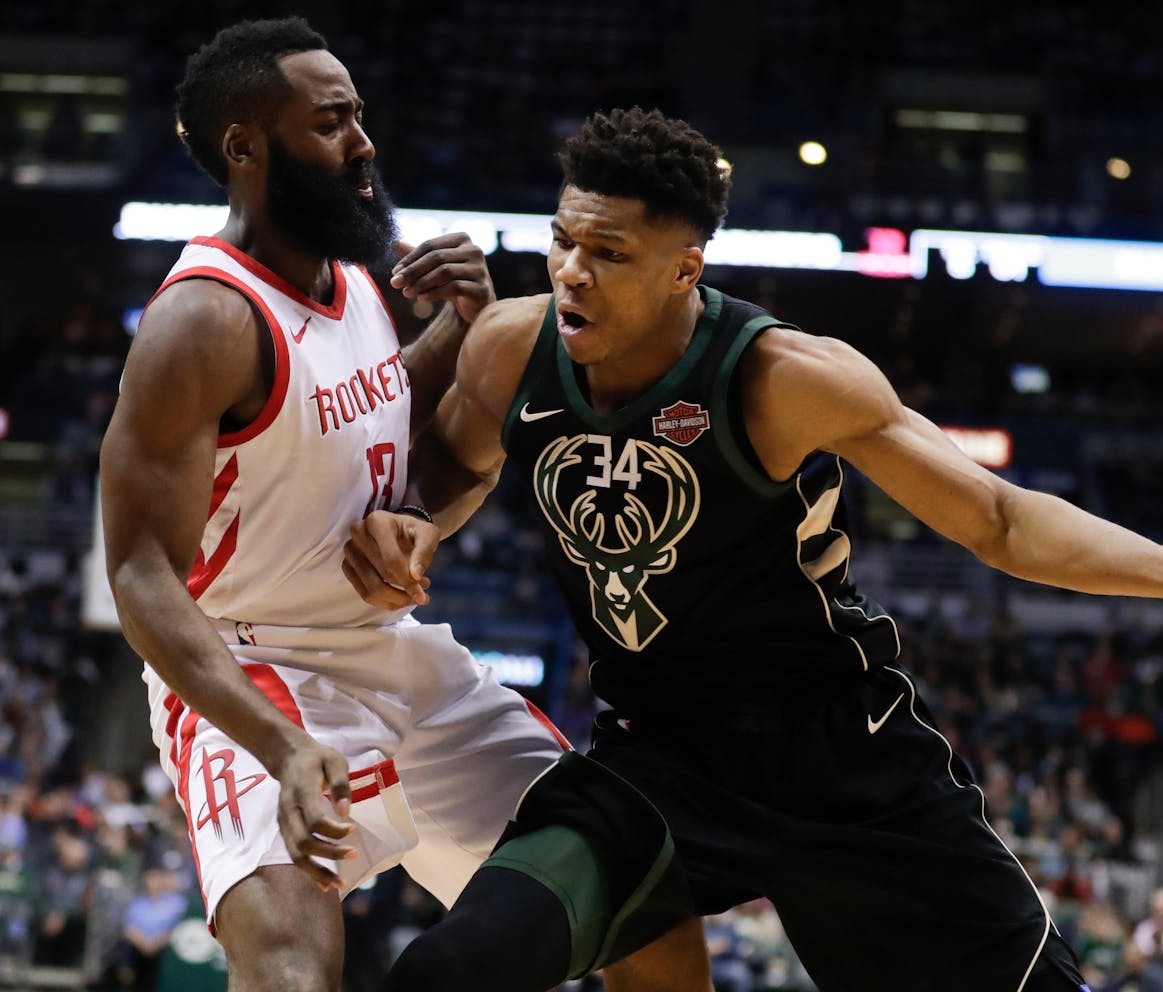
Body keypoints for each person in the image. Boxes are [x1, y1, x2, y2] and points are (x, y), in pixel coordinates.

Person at [344, 107, 1163, 992]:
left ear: (682, 270)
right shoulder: (509, 345)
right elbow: (451, 467)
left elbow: (999, 518)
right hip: (662, 759)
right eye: (566, 239)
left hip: (846, 760)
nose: (572, 270)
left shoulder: (783, 376)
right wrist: (419, 522)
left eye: (608, 254)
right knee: (443, 970)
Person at [100, 22, 710, 992]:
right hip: (255, 666)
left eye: (360, 117)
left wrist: (459, 333)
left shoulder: (347, 281)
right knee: (292, 969)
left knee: (640, 901)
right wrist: (280, 745)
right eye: (332, 122)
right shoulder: (202, 320)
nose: (363, 143)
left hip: (390, 647)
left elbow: (368, 426)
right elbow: (138, 575)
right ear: (245, 147)